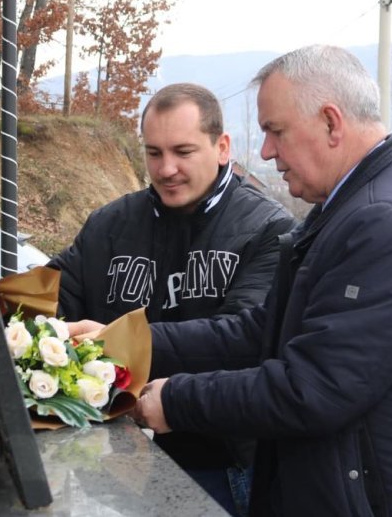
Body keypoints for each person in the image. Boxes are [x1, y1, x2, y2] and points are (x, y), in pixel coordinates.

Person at [75, 45, 392, 515]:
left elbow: (314, 388)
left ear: (332, 123)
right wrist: (123, 344)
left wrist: (175, 401)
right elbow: (259, 332)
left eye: (275, 131)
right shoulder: (352, 208)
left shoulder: (389, 221)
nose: (268, 151)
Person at [47, 82, 295, 516]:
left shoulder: (268, 230)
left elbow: (242, 338)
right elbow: (48, 297)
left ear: (221, 147)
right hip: (109, 456)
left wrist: (119, 341)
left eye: (183, 151)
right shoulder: (108, 226)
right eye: (154, 153)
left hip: (220, 463)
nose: (166, 169)